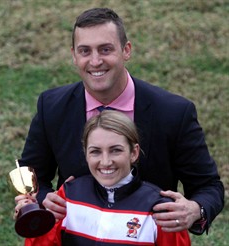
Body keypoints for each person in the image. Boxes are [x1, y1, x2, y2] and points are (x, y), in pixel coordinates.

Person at [17, 7, 224, 235]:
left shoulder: (173, 112)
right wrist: (44, 199)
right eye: (85, 51)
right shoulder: (52, 106)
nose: (95, 61)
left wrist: (195, 210)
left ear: (126, 50)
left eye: (105, 49)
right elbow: (31, 176)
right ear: (74, 56)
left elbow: (209, 187)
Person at [16, 110, 191, 245]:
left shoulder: (161, 209)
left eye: (116, 150)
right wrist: (34, 221)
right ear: (85, 154)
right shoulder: (67, 195)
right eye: (96, 151)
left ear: (134, 152)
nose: (106, 161)